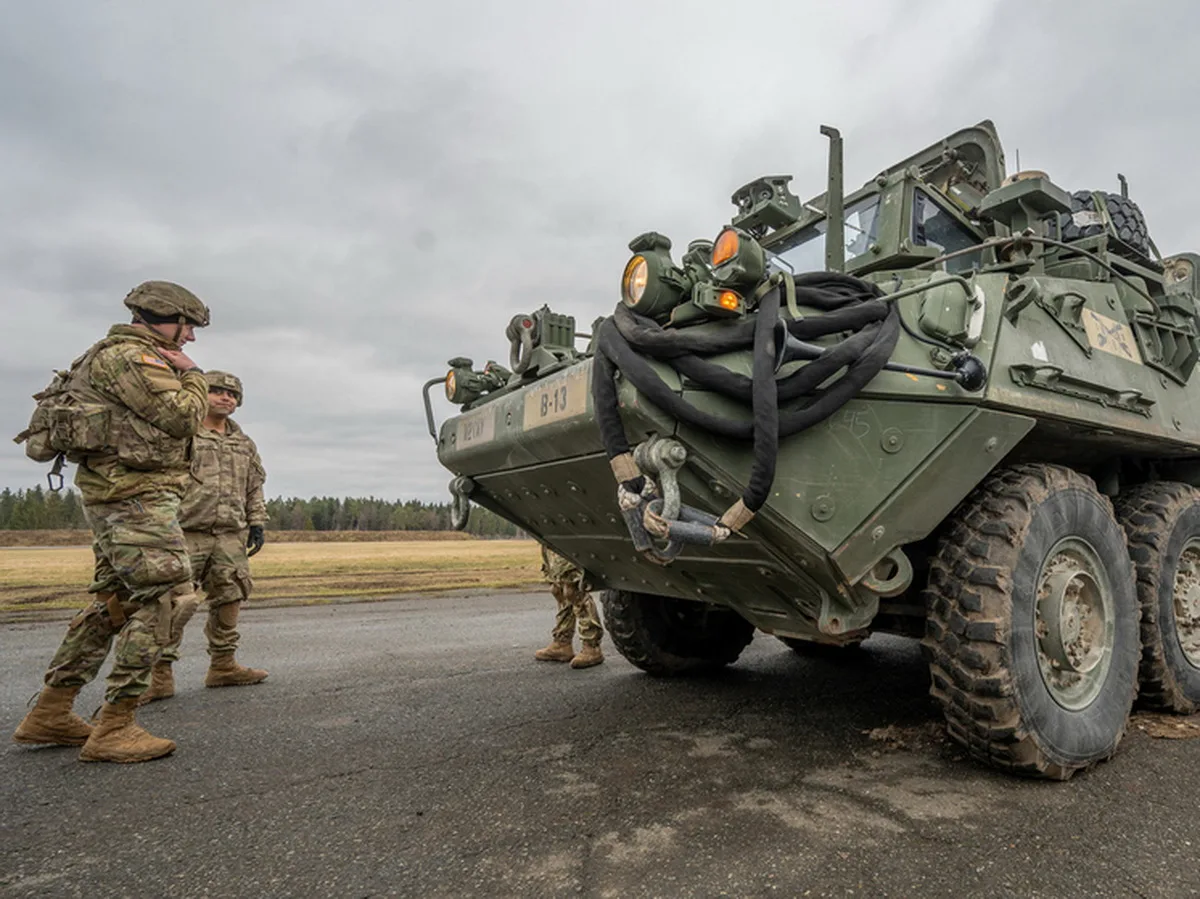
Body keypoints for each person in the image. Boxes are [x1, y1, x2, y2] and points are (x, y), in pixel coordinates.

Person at [12, 281, 211, 763]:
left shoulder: (105, 356)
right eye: (187, 327)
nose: (190, 339)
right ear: (164, 317)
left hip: (119, 496)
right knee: (165, 598)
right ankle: (115, 725)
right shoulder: (132, 358)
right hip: (134, 498)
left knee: (115, 603)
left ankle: (52, 711)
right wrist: (195, 375)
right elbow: (184, 417)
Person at [140, 370, 268, 703]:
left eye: (232, 394)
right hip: (184, 531)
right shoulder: (184, 434)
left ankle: (223, 666)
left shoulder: (243, 443)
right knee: (173, 603)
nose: (226, 397)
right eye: (217, 391)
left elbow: (254, 485)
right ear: (201, 395)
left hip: (229, 534)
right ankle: (160, 675)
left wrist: (257, 521)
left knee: (230, 595)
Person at [533, 545, 604, 669]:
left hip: (567, 538)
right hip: (550, 537)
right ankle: (562, 642)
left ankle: (592, 646)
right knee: (557, 588)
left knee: (573, 590)